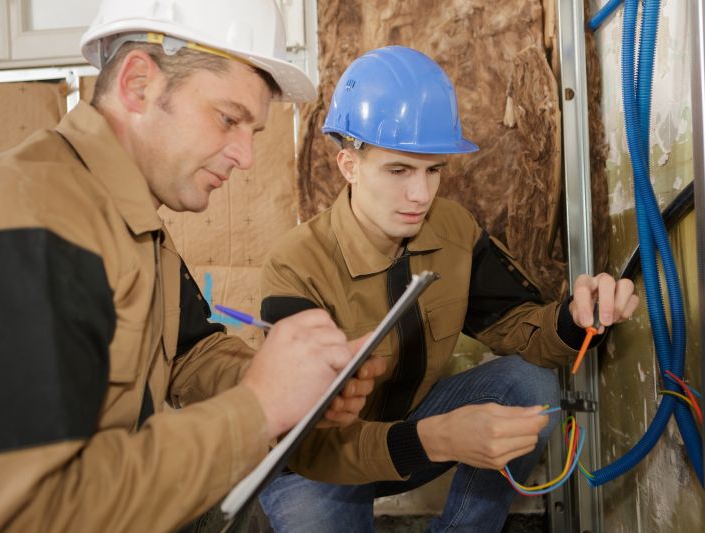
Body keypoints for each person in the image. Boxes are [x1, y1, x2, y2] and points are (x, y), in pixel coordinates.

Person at [0, 1, 386, 531]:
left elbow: (186, 351)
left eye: (253, 133)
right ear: (138, 84)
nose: (245, 157)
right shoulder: (24, 222)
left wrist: (292, 381)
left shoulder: (128, 228)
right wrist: (258, 406)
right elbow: (14, 515)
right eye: (229, 119)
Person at [258, 46, 640, 532]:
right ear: (348, 166)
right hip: (317, 462)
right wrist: (435, 438)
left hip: (414, 429)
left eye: (433, 170)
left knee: (529, 384)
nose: (421, 195)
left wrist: (577, 317)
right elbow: (305, 436)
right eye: (399, 170)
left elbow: (520, 329)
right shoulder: (294, 266)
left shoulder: (454, 229)